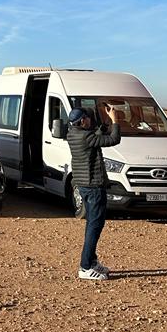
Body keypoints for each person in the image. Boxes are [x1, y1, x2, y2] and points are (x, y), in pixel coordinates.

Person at [66, 104, 122, 281]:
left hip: (84, 185)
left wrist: (105, 122)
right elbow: (113, 139)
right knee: (95, 226)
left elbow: (97, 136)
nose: (90, 119)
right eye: (87, 117)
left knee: (92, 224)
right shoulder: (86, 137)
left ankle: (91, 262)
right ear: (82, 121)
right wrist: (115, 120)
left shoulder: (73, 134)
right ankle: (85, 267)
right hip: (93, 186)